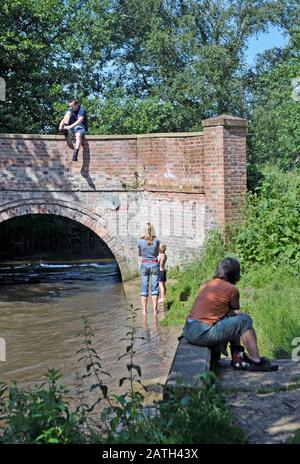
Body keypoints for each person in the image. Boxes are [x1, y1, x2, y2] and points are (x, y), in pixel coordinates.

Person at [182, 257, 278, 371]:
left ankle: (238, 358)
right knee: (244, 320)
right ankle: (256, 361)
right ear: (235, 274)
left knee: (233, 320)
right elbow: (235, 310)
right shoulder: (232, 289)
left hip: (188, 329)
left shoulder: (207, 284)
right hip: (202, 333)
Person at [137, 223, 160, 314]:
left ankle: (144, 311)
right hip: (154, 264)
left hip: (144, 264)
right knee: (155, 287)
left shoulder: (139, 242)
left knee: (144, 287)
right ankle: (154, 311)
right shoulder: (157, 241)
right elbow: (157, 254)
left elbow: (139, 254)